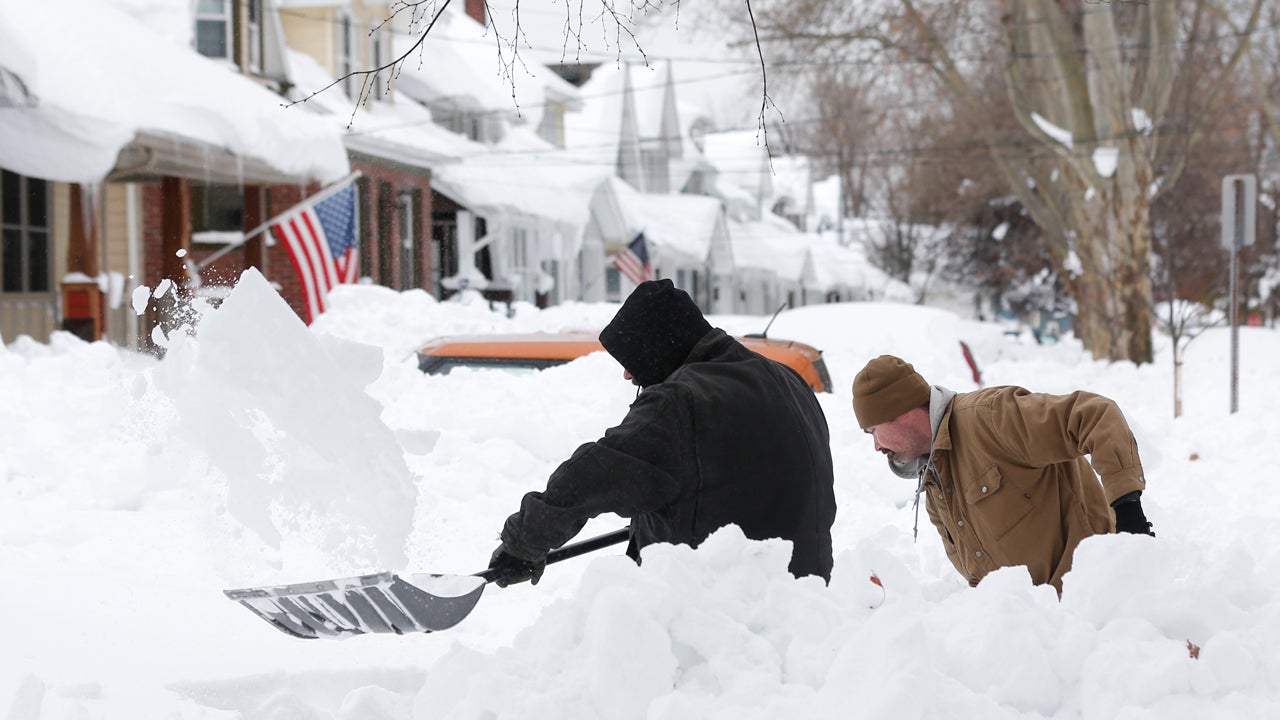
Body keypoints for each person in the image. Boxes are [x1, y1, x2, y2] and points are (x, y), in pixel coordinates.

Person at [488, 279, 837, 585]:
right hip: (805, 599)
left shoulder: (682, 401)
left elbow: (592, 476)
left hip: (722, 609)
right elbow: (741, 479)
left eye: (633, 359)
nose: (628, 374)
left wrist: (523, 543)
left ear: (658, 346)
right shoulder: (787, 379)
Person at [851, 354, 1154, 591]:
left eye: (873, 431)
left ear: (901, 411)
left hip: (1097, 603)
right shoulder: (935, 481)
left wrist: (1128, 511)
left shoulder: (992, 418)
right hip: (1037, 634)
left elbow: (1095, 415)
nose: (876, 446)